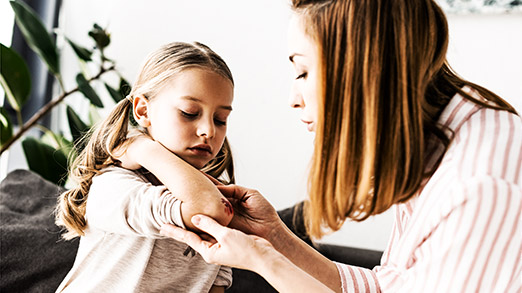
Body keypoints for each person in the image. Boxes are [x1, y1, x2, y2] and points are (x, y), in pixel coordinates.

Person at [159, 0, 522, 292]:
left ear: (359, 72)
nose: (293, 98)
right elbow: (388, 285)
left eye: (302, 72)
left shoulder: (476, 187)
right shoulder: (438, 146)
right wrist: (273, 235)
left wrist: (262, 259)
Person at [55, 41, 237, 292]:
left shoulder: (219, 201)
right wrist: (142, 148)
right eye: (189, 112)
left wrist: (140, 148)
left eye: (220, 119)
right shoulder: (114, 185)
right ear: (142, 111)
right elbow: (206, 207)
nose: (208, 131)